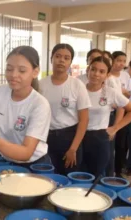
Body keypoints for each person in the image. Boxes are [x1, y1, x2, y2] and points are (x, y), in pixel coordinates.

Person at [0, 46, 52, 167]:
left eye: (22, 71)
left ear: (35, 72)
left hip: (33, 164)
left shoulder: (39, 104)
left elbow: (26, 152)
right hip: (5, 158)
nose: (13, 75)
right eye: (9, 69)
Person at [81, 56, 131, 177]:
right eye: (93, 69)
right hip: (78, 137)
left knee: (98, 176)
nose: (96, 74)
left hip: (100, 138)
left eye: (101, 71)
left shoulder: (110, 92)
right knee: (80, 174)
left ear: (107, 75)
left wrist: (115, 128)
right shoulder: (78, 89)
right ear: (88, 70)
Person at [39, 44, 91, 175]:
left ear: (70, 62)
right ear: (51, 59)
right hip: (45, 137)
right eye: (58, 56)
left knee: (69, 177)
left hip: (69, 138)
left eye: (66, 58)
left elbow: (84, 120)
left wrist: (73, 149)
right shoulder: (40, 85)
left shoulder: (77, 85)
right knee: (47, 177)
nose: (61, 60)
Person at [110, 51, 131, 178]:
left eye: (123, 61)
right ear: (112, 60)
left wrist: (123, 92)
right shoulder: (107, 76)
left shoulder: (125, 76)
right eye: (118, 60)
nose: (121, 64)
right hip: (109, 110)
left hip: (123, 109)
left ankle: (118, 170)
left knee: (120, 142)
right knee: (109, 143)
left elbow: (130, 95)